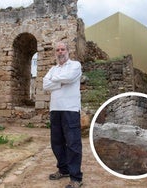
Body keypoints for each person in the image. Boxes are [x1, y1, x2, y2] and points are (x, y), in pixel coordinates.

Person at [43, 41, 83, 188]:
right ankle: (63, 169)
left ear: (68, 51)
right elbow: (45, 85)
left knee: (73, 144)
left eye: (63, 49)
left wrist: (55, 81)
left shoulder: (75, 65)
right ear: (56, 53)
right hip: (55, 109)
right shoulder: (53, 69)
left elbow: (70, 78)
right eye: (58, 50)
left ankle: (76, 178)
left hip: (71, 110)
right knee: (57, 143)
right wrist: (60, 82)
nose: (60, 51)